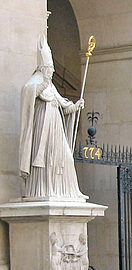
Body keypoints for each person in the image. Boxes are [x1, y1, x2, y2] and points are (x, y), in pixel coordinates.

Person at [19, 34, 86, 200]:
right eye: (49, 69)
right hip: (43, 126)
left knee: (66, 158)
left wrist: (75, 106)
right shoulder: (35, 82)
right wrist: (42, 85)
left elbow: (63, 105)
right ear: (42, 69)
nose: (52, 72)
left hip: (55, 125)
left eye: (52, 69)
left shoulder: (51, 85)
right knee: (45, 158)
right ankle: (42, 189)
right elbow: (28, 93)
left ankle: (69, 191)